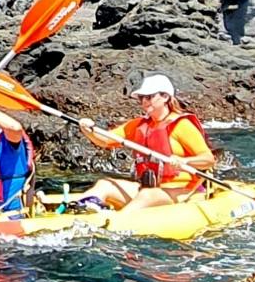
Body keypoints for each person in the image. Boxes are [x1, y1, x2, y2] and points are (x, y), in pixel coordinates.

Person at [73, 73, 215, 212]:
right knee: (105, 184)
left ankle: (117, 222)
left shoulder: (181, 125)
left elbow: (208, 160)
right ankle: (77, 211)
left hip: (183, 191)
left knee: (147, 195)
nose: (144, 101)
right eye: (141, 98)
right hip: (151, 190)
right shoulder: (139, 125)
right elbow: (105, 141)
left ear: (165, 97)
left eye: (149, 97)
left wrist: (184, 161)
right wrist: (87, 130)